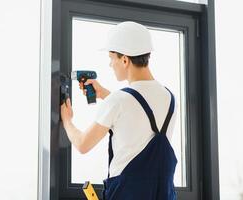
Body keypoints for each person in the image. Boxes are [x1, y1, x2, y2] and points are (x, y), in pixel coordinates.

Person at [61, 21, 177, 200]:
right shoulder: (169, 97)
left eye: (111, 58)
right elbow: (136, 118)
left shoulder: (119, 100)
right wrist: (104, 94)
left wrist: (67, 121)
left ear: (124, 60)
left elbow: (83, 144)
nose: (110, 64)